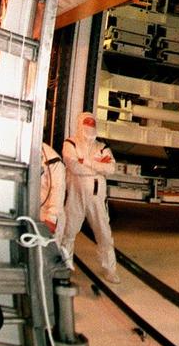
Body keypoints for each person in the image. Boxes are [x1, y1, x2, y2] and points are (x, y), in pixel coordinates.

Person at [59, 113, 120, 283]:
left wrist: (85, 161)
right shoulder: (70, 143)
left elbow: (111, 169)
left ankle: (110, 269)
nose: (89, 125)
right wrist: (98, 166)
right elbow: (73, 166)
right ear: (80, 123)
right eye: (86, 122)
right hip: (75, 196)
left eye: (92, 122)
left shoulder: (102, 146)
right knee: (68, 232)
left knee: (104, 235)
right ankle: (65, 266)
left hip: (97, 198)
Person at [40, 142, 66, 241]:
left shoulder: (52, 160)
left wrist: (51, 218)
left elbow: (58, 190)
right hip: (32, 213)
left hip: (47, 216)